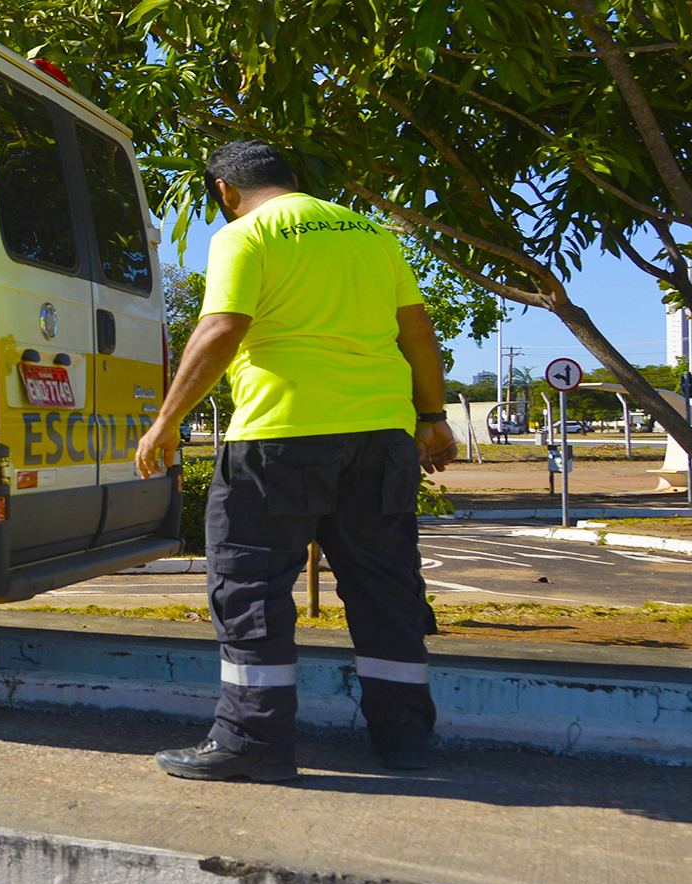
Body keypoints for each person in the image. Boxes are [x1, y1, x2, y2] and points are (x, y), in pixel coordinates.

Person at [136, 140, 457, 782]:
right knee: (386, 590)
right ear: (291, 177)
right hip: (380, 438)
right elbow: (416, 330)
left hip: (279, 440)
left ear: (224, 191)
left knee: (250, 587)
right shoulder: (370, 234)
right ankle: (404, 738)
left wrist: (166, 422)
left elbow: (221, 327)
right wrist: (433, 416)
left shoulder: (244, 235)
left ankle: (252, 739)